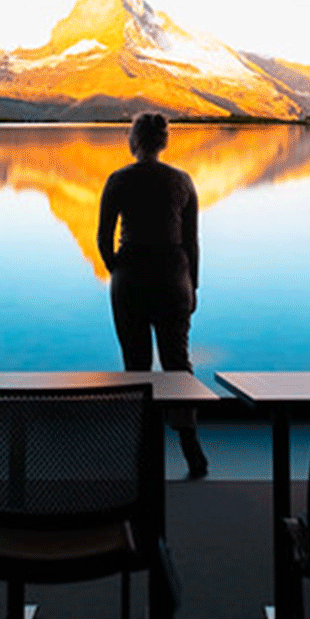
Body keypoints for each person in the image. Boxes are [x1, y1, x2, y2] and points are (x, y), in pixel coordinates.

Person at [97, 111, 209, 478]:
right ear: (164, 142)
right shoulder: (182, 181)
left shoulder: (118, 180)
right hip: (173, 273)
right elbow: (191, 241)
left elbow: (103, 239)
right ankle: (190, 445)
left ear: (134, 140)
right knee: (177, 361)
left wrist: (119, 268)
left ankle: (140, 450)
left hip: (130, 275)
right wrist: (192, 284)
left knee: (136, 363)